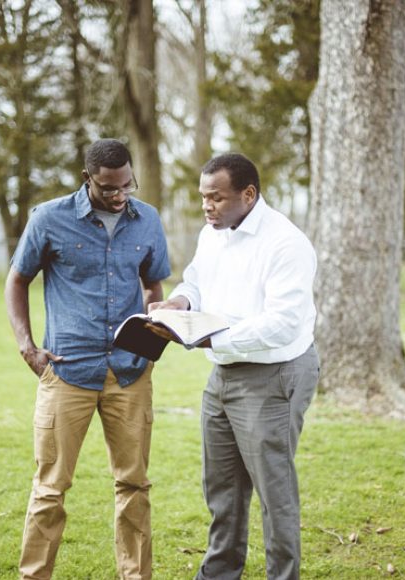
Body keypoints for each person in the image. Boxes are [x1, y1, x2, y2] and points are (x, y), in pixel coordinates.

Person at [4, 138, 170, 580]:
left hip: (131, 373)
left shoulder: (148, 219)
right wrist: (27, 344)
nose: (119, 196)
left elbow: (154, 285)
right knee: (49, 488)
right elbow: (17, 280)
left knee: (134, 484)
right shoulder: (49, 218)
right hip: (67, 370)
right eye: (108, 188)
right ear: (87, 180)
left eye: (126, 186)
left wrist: (154, 330)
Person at [148, 153, 319, 580]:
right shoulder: (213, 234)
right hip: (222, 374)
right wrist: (182, 302)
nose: (208, 206)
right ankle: (220, 574)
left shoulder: (286, 243)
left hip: (273, 375)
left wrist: (210, 338)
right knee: (222, 487)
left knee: (273, 491)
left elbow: (283, 324)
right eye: (204, 197)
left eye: (217, 198)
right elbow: (196, 280)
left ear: (248, 194)